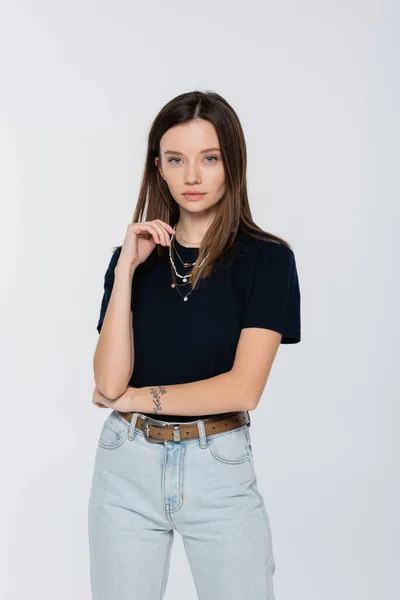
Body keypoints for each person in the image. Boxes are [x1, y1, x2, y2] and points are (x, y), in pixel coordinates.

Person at [88, 90, 301, 600]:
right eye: (176, 159)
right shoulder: (131, 261)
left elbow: (243, 388)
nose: (192, 176)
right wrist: (125, 273)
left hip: (218, 466)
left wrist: (139, 399)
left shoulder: (266, 260)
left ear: (232, 162)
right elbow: (108, 382)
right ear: (157, 166)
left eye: (209, 158)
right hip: (125, 466)